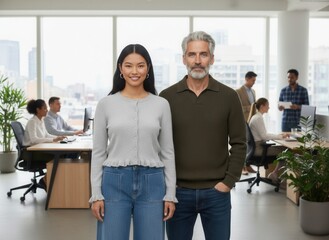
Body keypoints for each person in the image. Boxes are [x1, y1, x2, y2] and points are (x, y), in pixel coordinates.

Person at [160, 31, 246, 240]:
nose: (197, 61)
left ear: (212, 58)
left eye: (203, 54)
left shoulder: (229, 96)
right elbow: (158, 145)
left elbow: (239, 143)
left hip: (217, 193)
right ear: (184, 59)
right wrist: (168, 185)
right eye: (192, 54)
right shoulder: (166, 98)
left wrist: (228, 182)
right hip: (178, 193)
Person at [90, 44, 177, 240]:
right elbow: (98, 152)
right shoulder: (106, 104)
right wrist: (96, 194)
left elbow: (167, 152)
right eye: (128, 66)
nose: (134, 71)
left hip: (153, 182)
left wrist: (170, 193)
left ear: (148, 69)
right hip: (114, 181)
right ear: (120, 68)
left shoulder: (161, 105)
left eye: (140, 66)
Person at [23, 99, 66, 189]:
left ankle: (47, 179)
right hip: (31, 153)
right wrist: (53, 140)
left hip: (39, 150)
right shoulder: (32, 122)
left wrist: (57, 138)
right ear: (38, 110)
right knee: (60, 157)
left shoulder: (41, 120)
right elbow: (34, 140)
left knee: (63, 155)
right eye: (45, 108)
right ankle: (44, 180)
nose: (47, 110)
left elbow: (46, 134)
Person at [248, 98, 289, 183]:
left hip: (254, 148)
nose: (269, 107)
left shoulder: (256, 117)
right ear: (262, 106)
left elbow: (263, 134)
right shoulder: (258, 118)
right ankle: (275, 174)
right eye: (267, 105)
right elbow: (264, 136)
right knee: (286, 151)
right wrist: (280, 137)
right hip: (259, 149)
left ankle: (275, 174)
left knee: (283, 150)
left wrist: (279, 135)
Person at [236, 71, 257, 174]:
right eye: (253, 80)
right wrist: (250, 107)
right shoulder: (238, 92)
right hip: (243, 121)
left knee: (250, 145)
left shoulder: (253, 91)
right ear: (247, 79)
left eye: (255, 80)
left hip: (252, 122)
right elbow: (237, 108)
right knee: (242, 145)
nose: (254, 82)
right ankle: (241, 167)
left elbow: (254, 106)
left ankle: (248, 166)